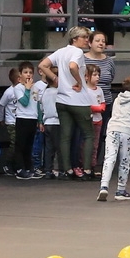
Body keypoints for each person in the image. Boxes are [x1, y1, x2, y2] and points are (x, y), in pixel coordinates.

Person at [47, 28, 96, 180]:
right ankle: (87, 170)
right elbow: (73, 66)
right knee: (88, 134)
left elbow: (42, 65)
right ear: (75, 39)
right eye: (84, 37)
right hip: (78, 99)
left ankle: (67, 170)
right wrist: (79, 82)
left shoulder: (60, 52)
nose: (87, 40)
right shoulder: (78, 52)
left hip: (62, 99)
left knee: (65, 136)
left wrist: (55, 79)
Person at [0, 62, 40, 179]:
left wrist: (40, 119)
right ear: (20, 75)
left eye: (30, 72)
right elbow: (24, 102)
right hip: (22, 118)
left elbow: (37, 103)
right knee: (20, 145)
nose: (28, 75)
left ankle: (28, 167)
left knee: (29, 145)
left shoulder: (35, 88)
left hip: (32, 118)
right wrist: (27, 89)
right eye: (25, 72)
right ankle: (19, 168)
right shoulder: (18, 88)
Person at [85, 31, 117, 173]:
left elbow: (111, 78)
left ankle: (93, 164)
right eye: (97, 40)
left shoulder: (109, 61)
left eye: (103, 41)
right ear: (90, 43)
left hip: (105, 102)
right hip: (86, 103)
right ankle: (83, 164)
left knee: (100, 134)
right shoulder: (83, 59)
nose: (101, 43)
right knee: (85, 135)